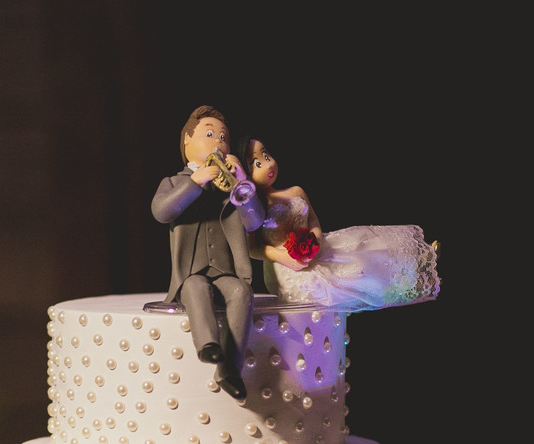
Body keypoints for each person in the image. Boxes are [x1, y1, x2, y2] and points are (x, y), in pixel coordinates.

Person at [239, 137, 440, 311]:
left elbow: (313, 220)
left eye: (266, 156)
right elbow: (252, 248)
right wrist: (282, 256)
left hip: (314, 249)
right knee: (349, 275)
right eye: (256, 163)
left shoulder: (296, 191)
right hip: (287, 267)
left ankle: (419, 259)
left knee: (360, 242)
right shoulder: (253, 209)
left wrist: (316, 238)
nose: (267, 165)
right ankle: (412, 283)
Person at [151, 105, 265, 400]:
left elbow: (255, 222)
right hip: (190, 272)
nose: (218, 143)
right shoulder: (174, 182)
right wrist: (194, 182)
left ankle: (229, 370)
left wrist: (242, 183)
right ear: (187, 140)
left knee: (241, 291)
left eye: (224, 138)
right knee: (195, 287)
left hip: (225, 270)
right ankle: (207, 345)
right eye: (210, 134)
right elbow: (162, 212)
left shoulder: (232, 188)